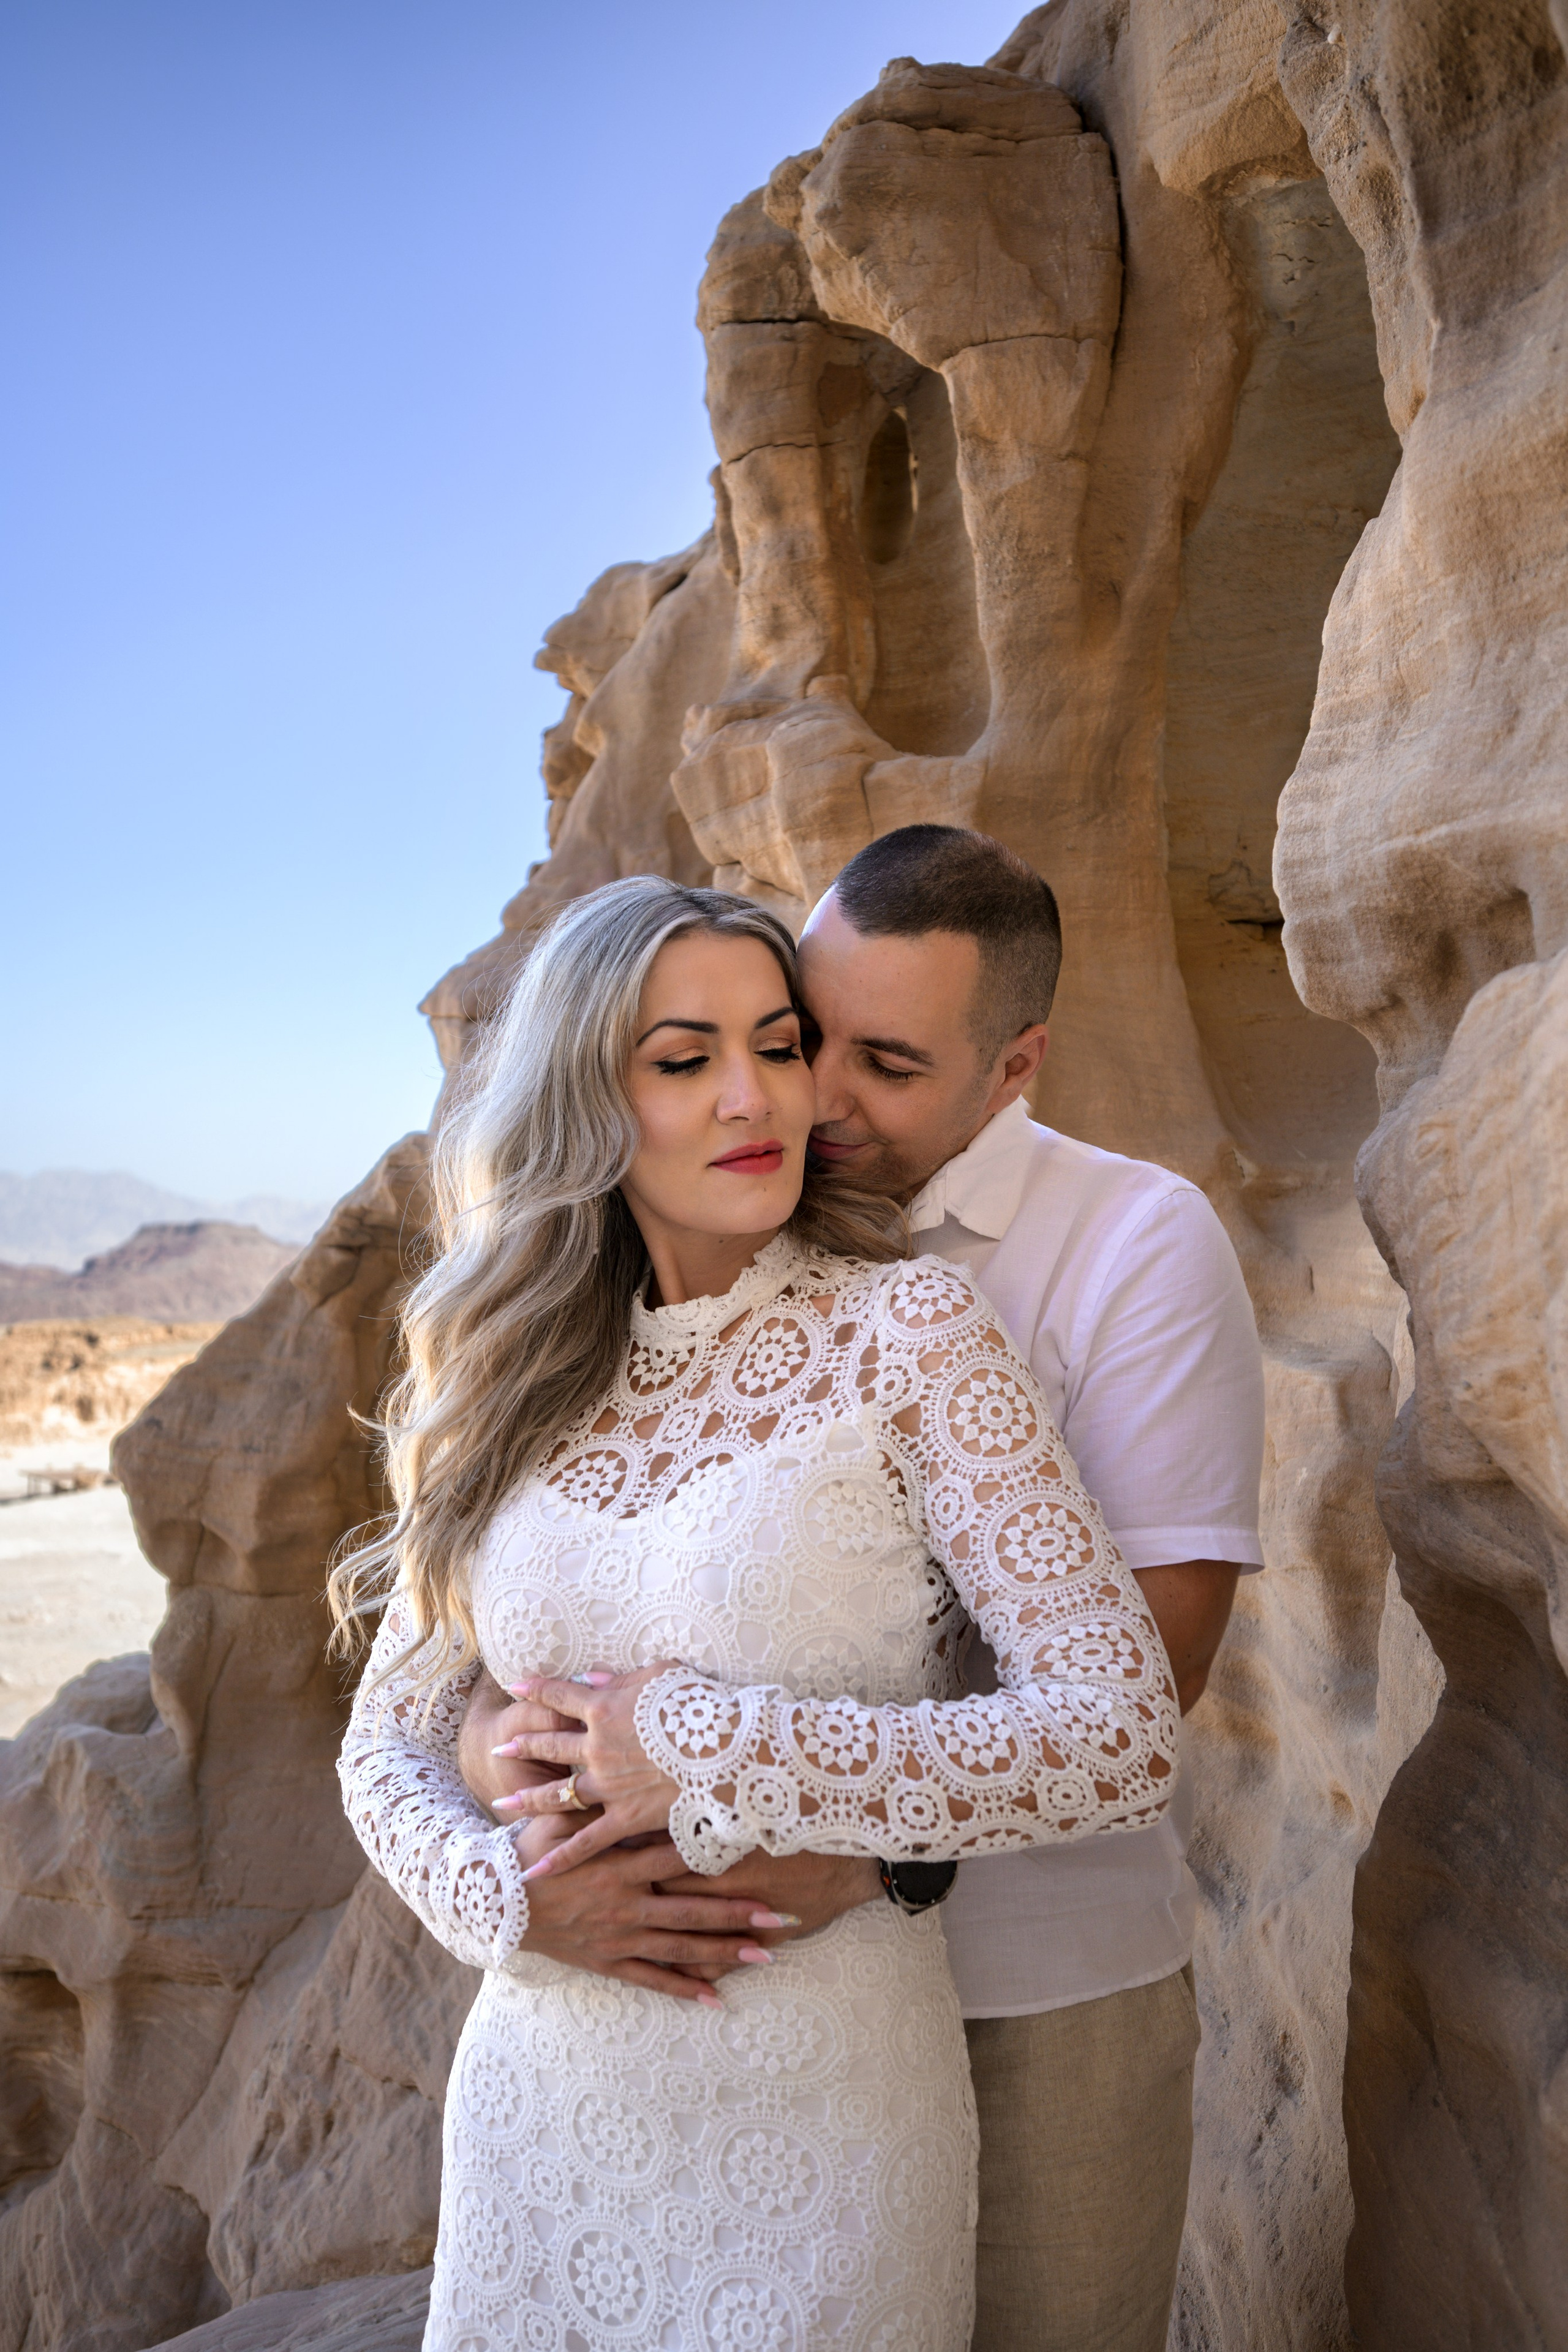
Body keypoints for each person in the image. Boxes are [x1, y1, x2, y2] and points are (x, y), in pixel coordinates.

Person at [331, 871, 1181, 2352]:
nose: (756, 1097)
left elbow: (1115, 1732)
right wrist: (511, 1904)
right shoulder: (514, 1380)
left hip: (825, 2113)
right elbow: (383, 1746)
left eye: (777, 1044)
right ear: (589, 1101)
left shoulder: (906, 1333)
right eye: (684, 1059)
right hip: (543, 2109)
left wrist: (704, 1740)